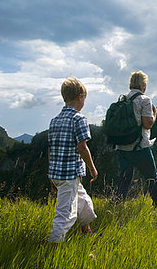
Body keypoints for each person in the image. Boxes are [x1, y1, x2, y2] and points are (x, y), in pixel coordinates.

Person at [47, 77, 98, 243]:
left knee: (84, 203)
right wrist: (91, 167)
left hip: (57, 173)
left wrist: (52, 176)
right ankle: (53, 245)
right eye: (84, 98)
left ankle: (86, 231)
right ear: (80, 96)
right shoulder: (79, 119)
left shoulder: (54, 120)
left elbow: (50, 149)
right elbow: (82, 147)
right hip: (69, 175)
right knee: (66, 213)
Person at [114, 70, 157, 207]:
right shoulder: (145, 100)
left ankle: (116, 205)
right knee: (152, 177)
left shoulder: (122, 99)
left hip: (122, 146)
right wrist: (155, 113)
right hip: (140, 146)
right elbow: (147, 124)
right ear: (143, 86)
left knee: (124, 179)